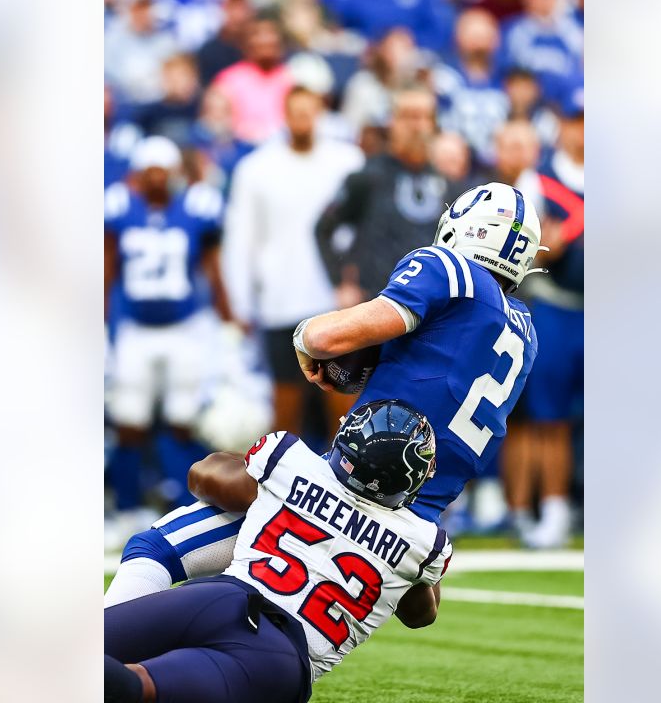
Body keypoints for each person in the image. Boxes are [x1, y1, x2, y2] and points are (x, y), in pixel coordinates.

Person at [105, 180, 541, 606]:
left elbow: (325, 339)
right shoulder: (525, 334)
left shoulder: (449, 269)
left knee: (161, 539)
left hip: (338, 491)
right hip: (409, 534)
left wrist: (304, 339)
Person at [104, 400, 450, 703]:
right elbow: (421, 615)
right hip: (278, 657)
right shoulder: (424, 543)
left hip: (218, 599)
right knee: (137, 687)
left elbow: (207, 477)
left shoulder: (291, 459)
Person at [104, 136, 236, 547]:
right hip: (136, 331)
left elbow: (213, 268)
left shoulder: (197, 208)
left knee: (183, 421)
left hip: (185, 329)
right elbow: (107, 268)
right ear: (139, 176)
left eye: (164, 170)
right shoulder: (121, 208)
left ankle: (184, 509)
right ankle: (127, 508)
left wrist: (227, 317)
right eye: (150, 171)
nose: (158, 178)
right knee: (129, 420)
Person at [223, 86, 366, 438]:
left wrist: (356, 284)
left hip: (335, 304)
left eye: (309, 110)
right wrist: (240, 302)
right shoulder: (256, 168)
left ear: (320, 111)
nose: (302, 119)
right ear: (284, 114)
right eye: (295, 111)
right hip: (280, 301)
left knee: (343, 408)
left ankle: (344, 490)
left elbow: (361, 230)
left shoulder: (347, 162)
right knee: (285, 406)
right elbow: (240, 238)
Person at [315, 86, 468, 308]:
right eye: (408, 116)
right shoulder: (368, 177)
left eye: (425, 117)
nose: (417, 126)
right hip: (376, 308)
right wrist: (341, 283)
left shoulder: (448, 184)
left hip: (432, 312)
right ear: (392, 122)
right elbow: (323, 228)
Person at [520, 97, 583, 548]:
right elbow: (526, 248)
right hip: (556, 305)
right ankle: (554, 507)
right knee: (551, 417)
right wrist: (547, 242)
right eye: (577, 121)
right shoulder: (539, 179)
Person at [433, 8, 511, 166]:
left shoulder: (508, 77)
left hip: (498, 160)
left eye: (484, 36)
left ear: (496, 39)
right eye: (474, 36)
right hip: (456, 158)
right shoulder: (444, 76)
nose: (479, 44)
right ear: (458, 37)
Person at [211, 15, 295, 145]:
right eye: (258, 34)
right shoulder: (229, 79)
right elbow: (216, 121)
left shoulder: (291, 76)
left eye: (270, 33)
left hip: (283, 145)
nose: (265, 40)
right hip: (242, 146)